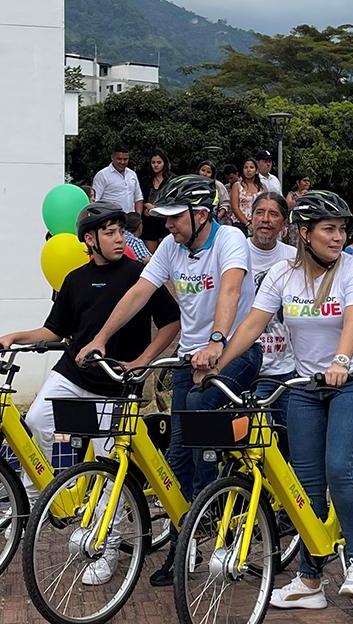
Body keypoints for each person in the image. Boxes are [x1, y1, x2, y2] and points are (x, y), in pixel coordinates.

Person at [207, 191, 353, 607]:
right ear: (304, 233)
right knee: (304, 487)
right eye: (328, 229)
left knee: (338, 468)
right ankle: (310, 581)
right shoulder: (282, 275)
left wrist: (342, 359)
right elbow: (254, 323)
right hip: (307, 387)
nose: (338, 237)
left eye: (342, 229)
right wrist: (219, 361)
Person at [76, 175, 262, 587]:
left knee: (198, 428)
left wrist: (216, 341)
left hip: (236, 352)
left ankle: (209, 514)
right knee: (176, 459)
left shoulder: (229, 238)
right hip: (187, 361)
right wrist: (100, 339)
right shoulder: (173, 249)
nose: (168, 227)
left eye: (175, 218)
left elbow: (230, 291)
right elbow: (139, 292)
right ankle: (185, 543)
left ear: (201, 215)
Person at [0, 202, 180, 584]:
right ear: (89, 239)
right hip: (74, 373)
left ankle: (107, 547)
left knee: (107, 468)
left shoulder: (139, 274)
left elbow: (170, 323)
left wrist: (144, 360)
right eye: (111, 233)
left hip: (116, 382)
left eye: (120, 231)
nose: (119, 239)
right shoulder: (75, 279)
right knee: (36, 419)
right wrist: (17, 336)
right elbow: (55, 331)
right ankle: (47, 489)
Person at [247, 192, 296, 424]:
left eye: (273, 214)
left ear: (284, 224)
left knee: (293, 443)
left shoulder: (295, 258)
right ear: (250, 218)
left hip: (288, 371)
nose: (265, 219)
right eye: (260, 212)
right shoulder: (234, 254)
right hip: (247, 370)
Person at [92, 145, 143, 215]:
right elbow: (95, 200)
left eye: (125, 159)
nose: (122, 162)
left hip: (130, 220)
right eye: (119, 159)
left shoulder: (132, 174)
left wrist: (138, 218)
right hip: (111, 220)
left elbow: (138, 198)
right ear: (112, 158)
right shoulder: (102, 175)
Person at [140, 148, 172, 252]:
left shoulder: (172, 180)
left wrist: (157, 208)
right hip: (149, 222)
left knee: (166, 253)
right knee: (150, 255)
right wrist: (145, 206)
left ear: (164, 163)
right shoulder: (145, 180)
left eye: (159, 162)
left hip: (166, 222)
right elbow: (139, 199)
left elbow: (174, 201)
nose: (156, 165)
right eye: (153, 162)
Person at [230, 157, 265, 234]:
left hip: (258, 223)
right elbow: (235, 208)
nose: (248, 170)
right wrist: (247, 224)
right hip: (240, 224)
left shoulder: (262, 188)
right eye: (246, 167)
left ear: (256, 171)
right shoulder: (237, 186)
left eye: (251, 167)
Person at [197, 159, 230, 224]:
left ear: (212, 174)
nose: (205, 174)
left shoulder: (217, 185)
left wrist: (217, 217)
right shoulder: (193, 184)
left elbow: (225, 204)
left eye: (208, 172)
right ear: (198, 171)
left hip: (214, 220)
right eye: (203, 170)